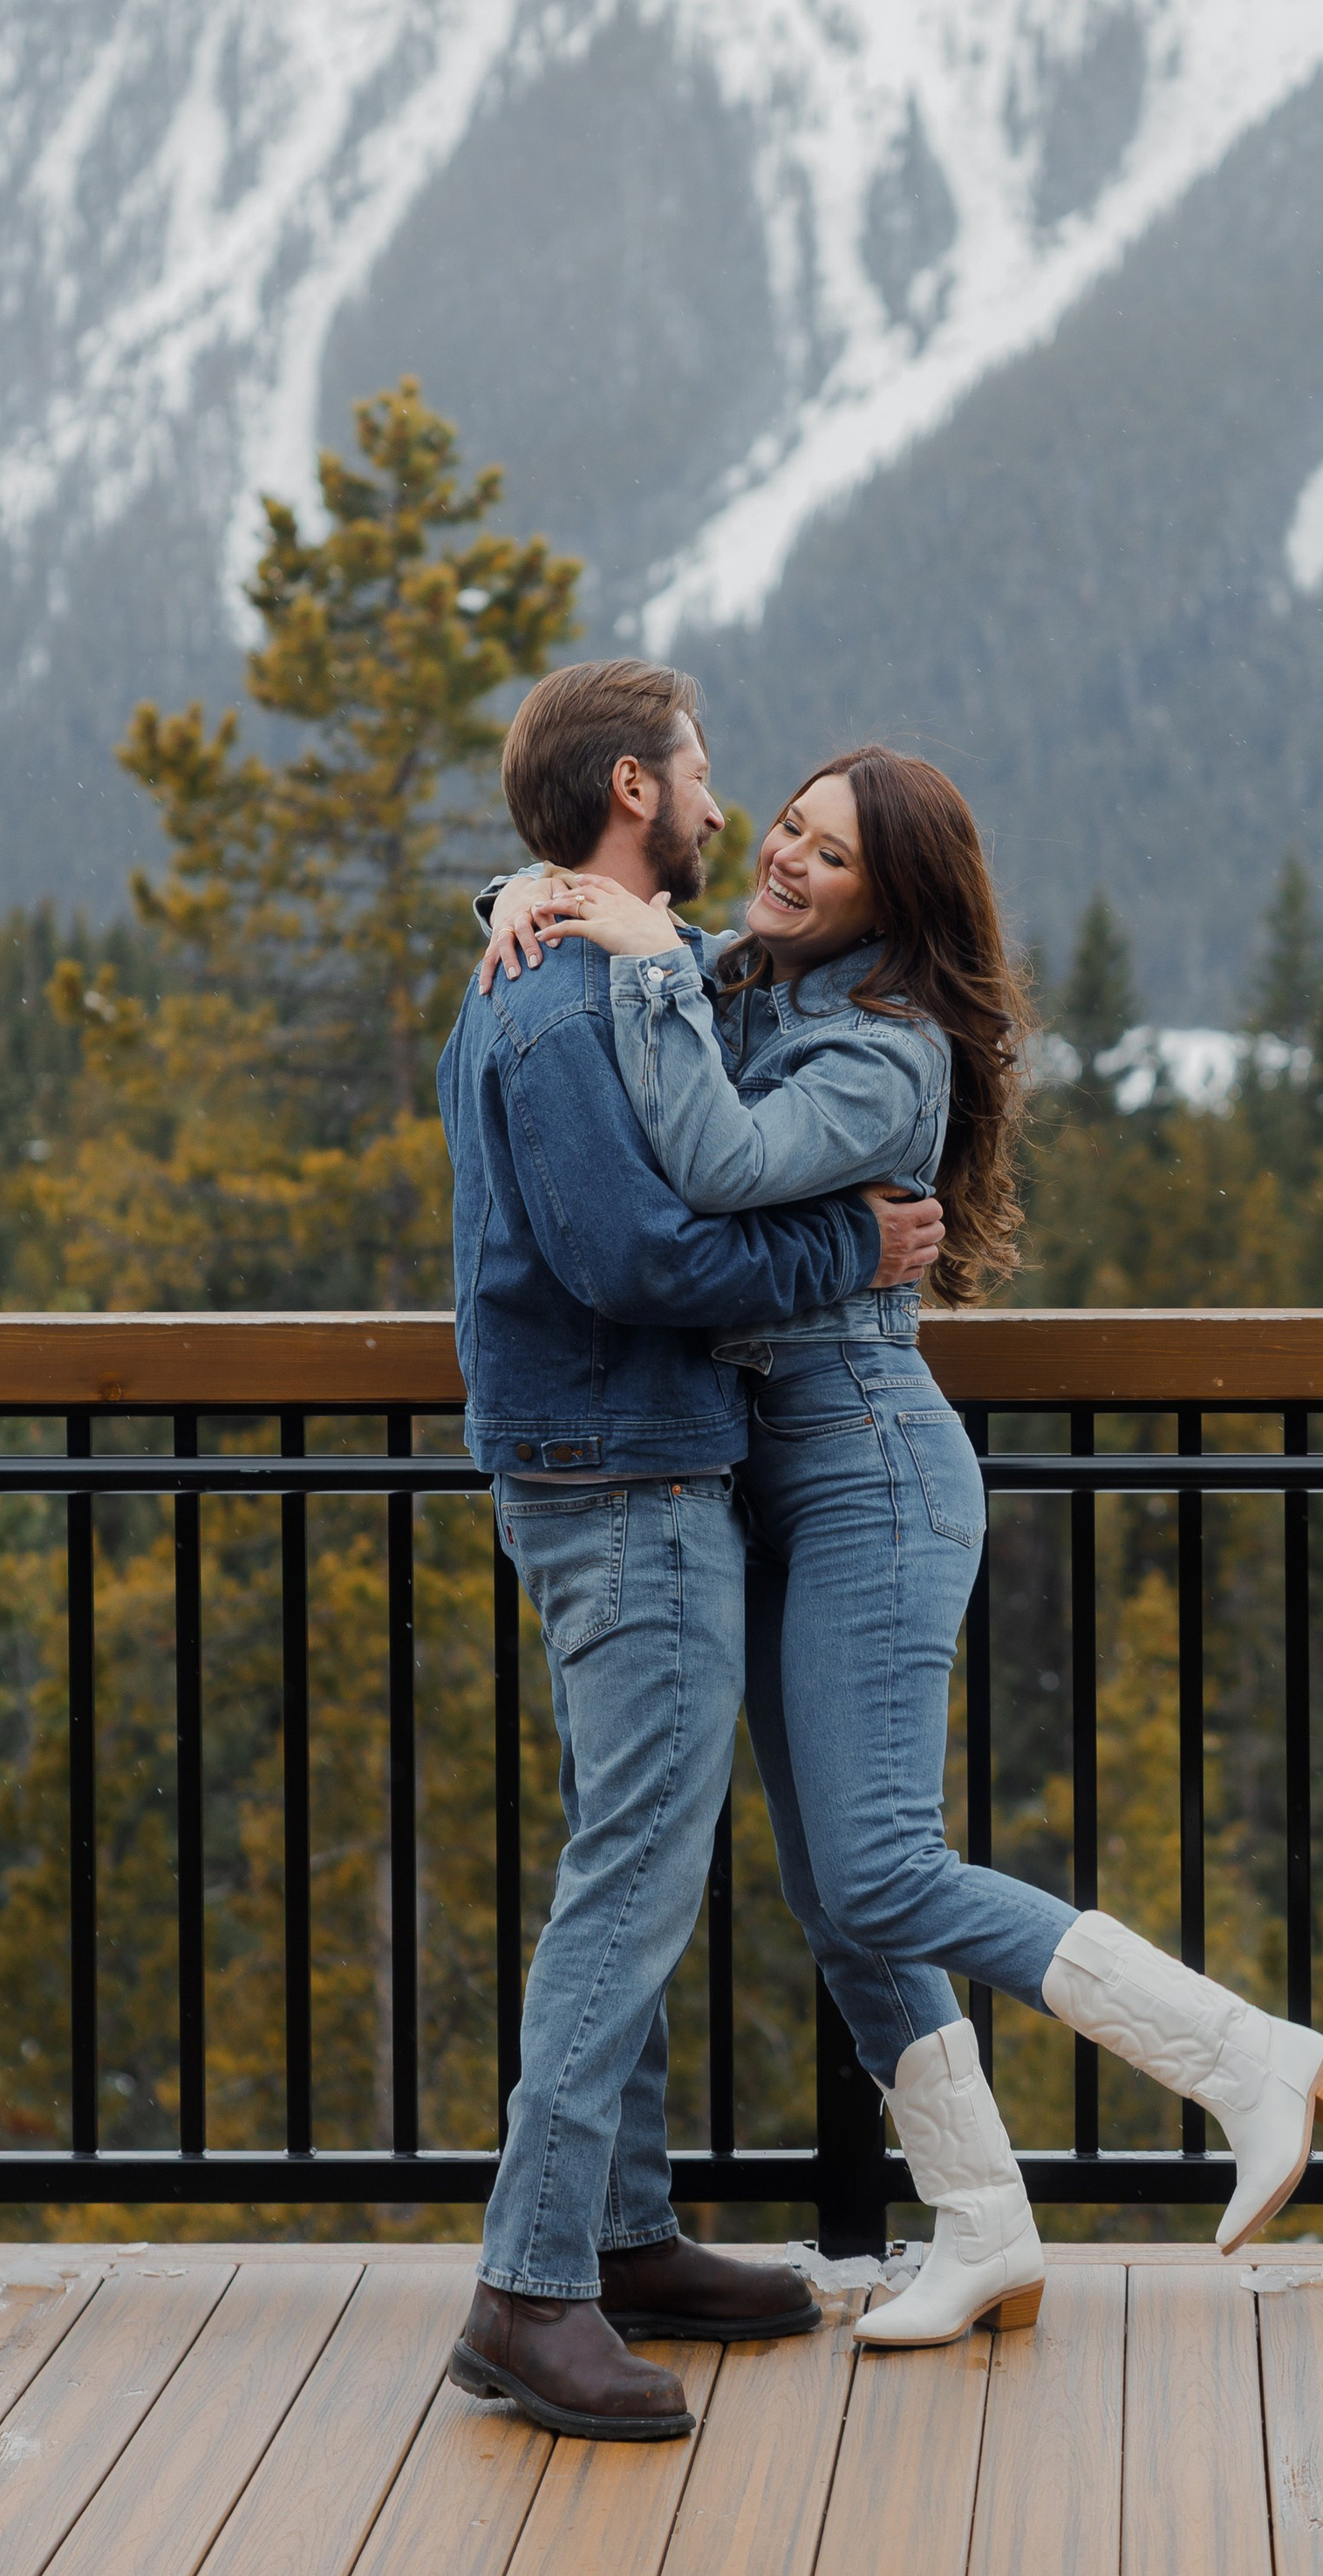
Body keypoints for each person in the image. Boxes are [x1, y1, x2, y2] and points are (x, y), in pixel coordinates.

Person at [478, 744, 1323, 2353]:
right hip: (770, 1468)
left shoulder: (888, 1050)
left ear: (897, 895)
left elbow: (720, 1169)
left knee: (882, 1857)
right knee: (840, 1894)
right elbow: (647, 957)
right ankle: (981, 2220)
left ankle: (1243, 2054)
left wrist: (632, 948)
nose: (788, 858)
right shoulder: (755, 982)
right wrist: (540, 893)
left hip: (873, 1466)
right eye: (789, 827)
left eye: (831, 852)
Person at [436, 662, 946, 2444]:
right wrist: (850, 1259)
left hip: (626, 1460)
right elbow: (637, 1263)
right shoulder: (568, 995)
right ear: (637, 794)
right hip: (620, 1468)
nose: (731, 812)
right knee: (636, 1871)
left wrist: (526, 887)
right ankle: (529, 2288)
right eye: (712, 780)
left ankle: (627, 2238)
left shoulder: (568, 956)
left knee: (628, 1848)